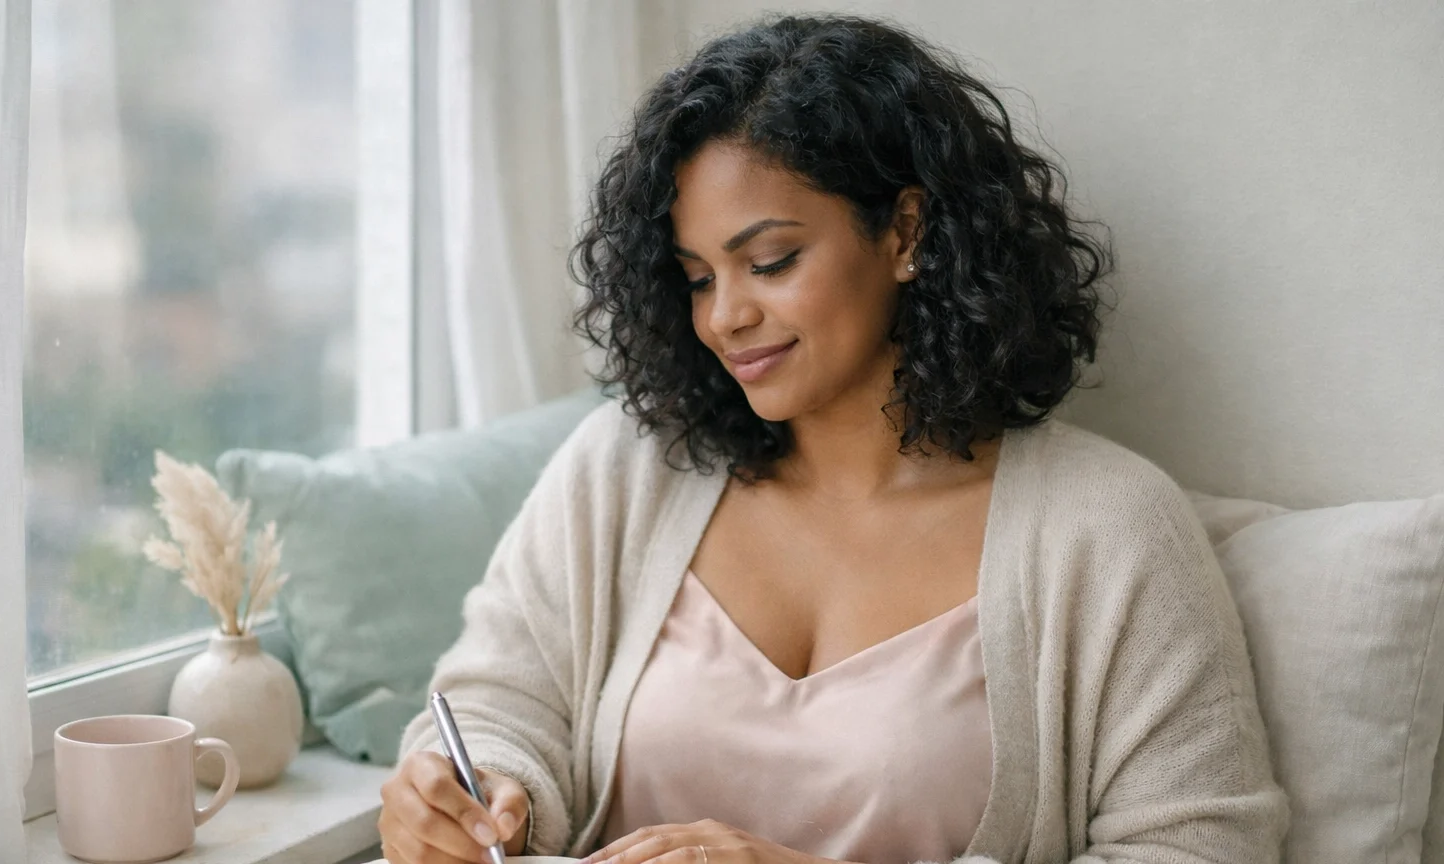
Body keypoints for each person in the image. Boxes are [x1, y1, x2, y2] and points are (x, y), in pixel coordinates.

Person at [377, 13, 1288, 864]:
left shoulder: (1110, 529)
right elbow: (497, 699)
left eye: (770, 262)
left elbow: (1202, 847)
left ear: (905, 232)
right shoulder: (627, 467)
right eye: (697, 279)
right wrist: (484, 792)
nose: (726, 317)